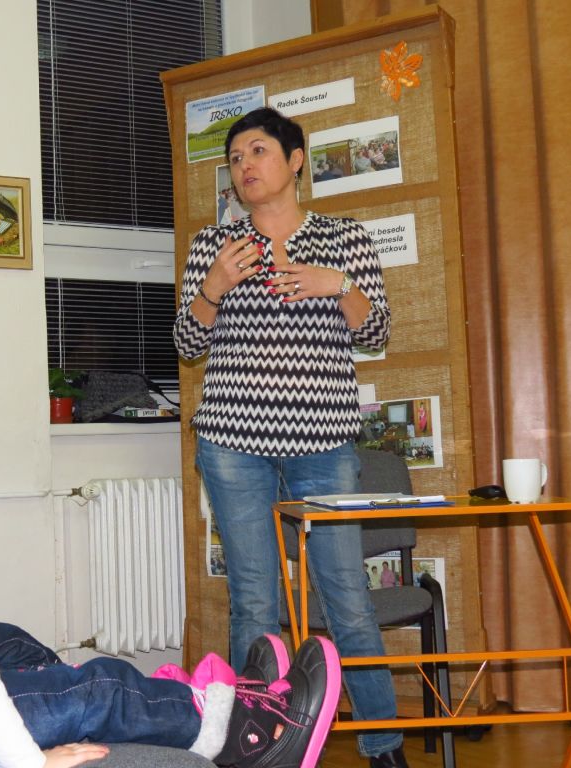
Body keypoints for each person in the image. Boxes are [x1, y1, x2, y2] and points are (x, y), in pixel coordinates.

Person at [0, 338, 342, 768]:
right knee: (101, 687)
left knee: (9, 642)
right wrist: (30, 761)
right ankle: (252, 734)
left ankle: (171, 702)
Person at [172, 107, 404, 768]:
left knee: (348, 601)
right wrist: (214, 287)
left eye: (258, 151)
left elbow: (376, 332)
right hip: (232, 445)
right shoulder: (213, 246)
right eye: (235, 157)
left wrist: (340, 285)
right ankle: (256, 748)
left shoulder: (343, 237)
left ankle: (385, 749)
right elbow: (187, 342)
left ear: (295, 160)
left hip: (323, 445)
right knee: (253, 602)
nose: (245, 166)